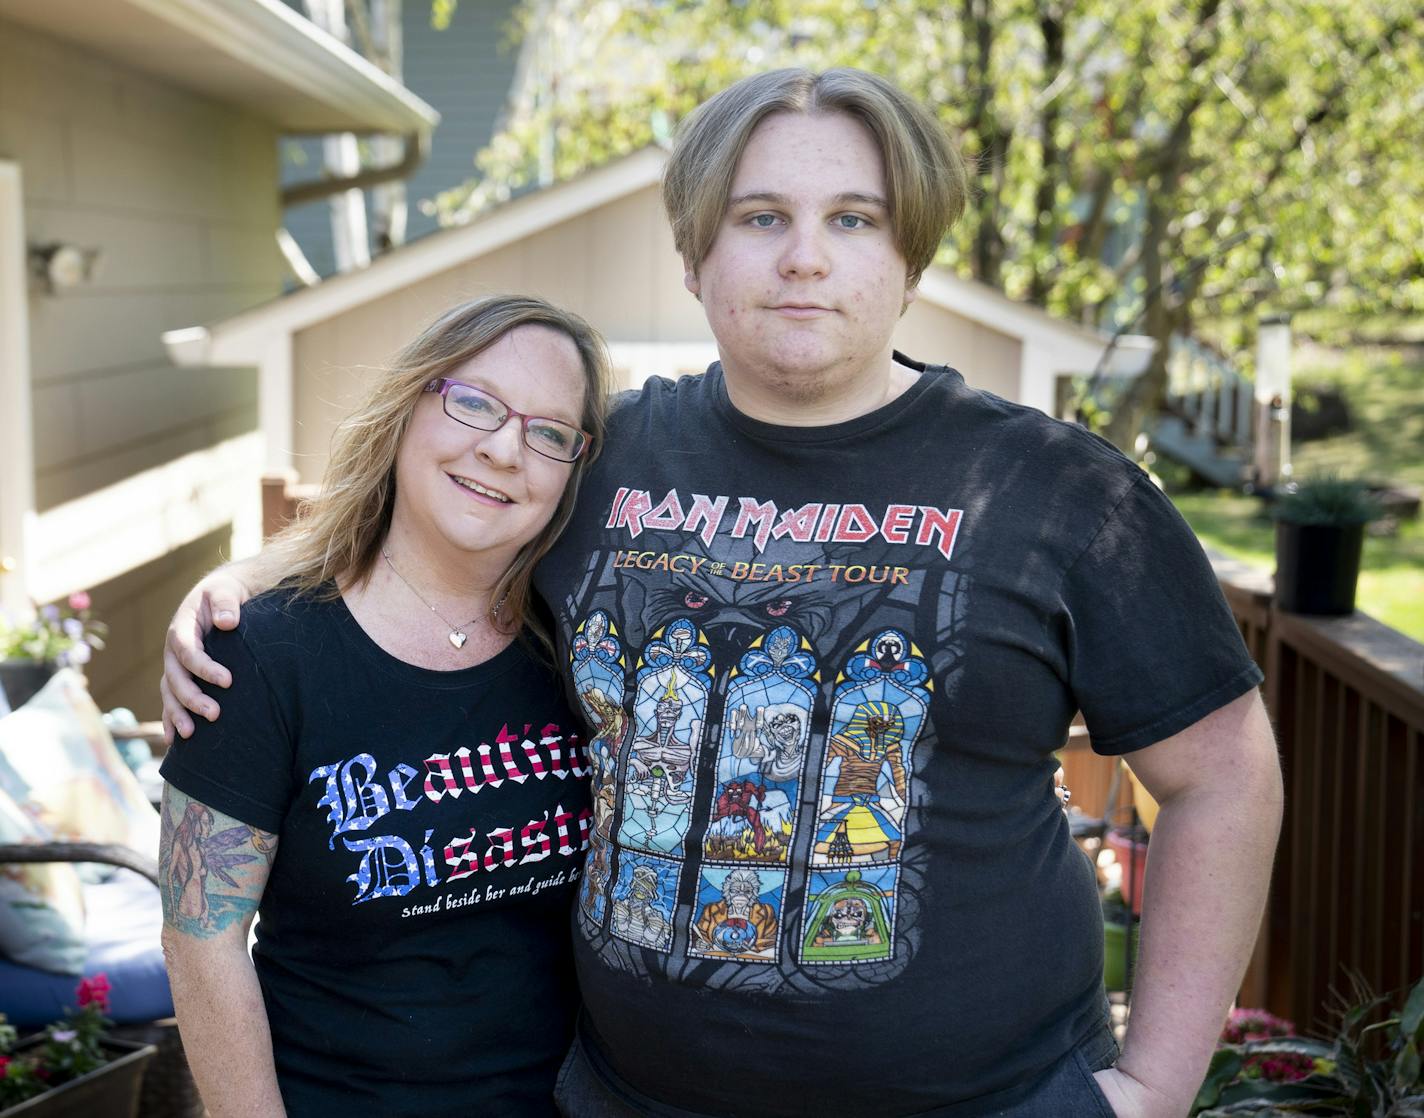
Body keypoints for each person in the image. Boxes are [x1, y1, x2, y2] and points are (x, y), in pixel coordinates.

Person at [162, 69, 1282, 1118]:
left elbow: (1223, 774)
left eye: (853, 218)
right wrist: (245, 587)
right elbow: (434, 528)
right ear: (695, 256)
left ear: (909, 258)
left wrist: (1153, 1083)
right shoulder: (602, 459)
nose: (804, 257)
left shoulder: (1054, 489)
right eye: (759, 217)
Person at [157, 294, 613, 1117]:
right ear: (409, 404)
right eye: (474, 402)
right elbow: (201, 941)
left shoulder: (586, 650)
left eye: (549, 432)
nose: (505, 449)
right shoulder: (260, 652)